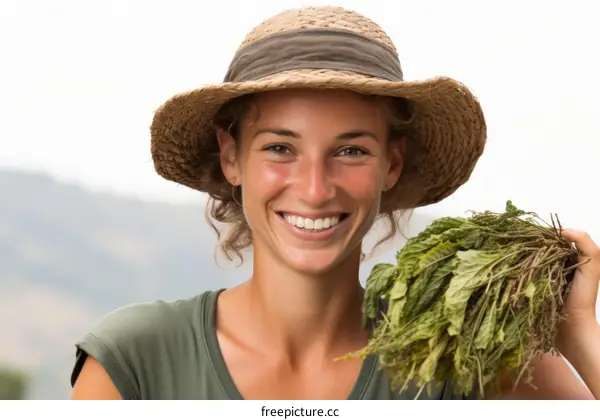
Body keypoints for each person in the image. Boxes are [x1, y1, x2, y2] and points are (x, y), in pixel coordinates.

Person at [69, 6, 600, 400]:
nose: (317, 188)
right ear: (232, 157)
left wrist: (575, 331)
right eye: (281, 147)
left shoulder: (462, 357)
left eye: (350, 150)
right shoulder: (136, 360)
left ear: (391, 164)